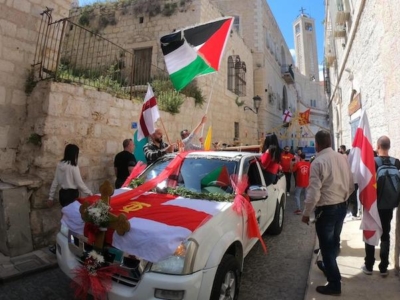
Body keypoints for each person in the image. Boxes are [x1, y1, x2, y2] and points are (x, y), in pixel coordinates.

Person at [301, 130, 354, 296]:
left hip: (328, 210)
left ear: (317, 144)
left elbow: (314, 193)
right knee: (333, 243)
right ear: (330, 142)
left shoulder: (318, 162)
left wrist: (306, 213)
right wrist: (344, 199)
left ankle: (334, 283)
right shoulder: (342, 158)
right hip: (341, 207)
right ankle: (329, 268)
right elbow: (351, 183)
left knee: (327, 248)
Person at [362, 135, 400, 277]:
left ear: (378, 147)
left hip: (374, 205)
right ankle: (383, 268)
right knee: (385, 234)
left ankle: (369, 265)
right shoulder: (397, 163)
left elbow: (366, 184)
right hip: (389, 205)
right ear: (389, 147)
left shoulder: (373, 162)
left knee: (370, 232)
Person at [48, 144, 92, 208]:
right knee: (71, 214)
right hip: (72, 195)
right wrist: (89, 193)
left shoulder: (59, 164)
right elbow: (79, 183)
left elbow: (55, 181)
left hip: (62, 194)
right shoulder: (73, 167)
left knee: (65, 212)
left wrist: (50, 197)